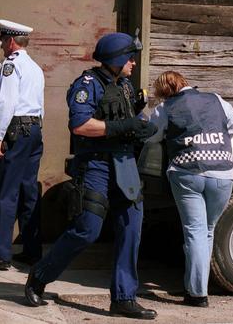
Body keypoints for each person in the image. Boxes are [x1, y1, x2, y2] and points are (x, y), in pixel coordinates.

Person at [24, 32, 158, 320]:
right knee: (88, 229)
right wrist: (123, 127)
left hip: (124, 164)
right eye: (129, 58)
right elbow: (80, 125)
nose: (133, 63)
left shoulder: (122, 85)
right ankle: (40, 275)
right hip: (96, 165)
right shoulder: (88, 85)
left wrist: (139, 126)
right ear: (117, 59)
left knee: (131, 229)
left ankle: (123, 298)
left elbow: (125, 118)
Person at [146, 71, 233, 307]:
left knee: (195, 231)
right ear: (184, 83)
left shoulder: (165, 108)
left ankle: (197, 293)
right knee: (207, 230)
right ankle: (198, 287)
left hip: (187, 173)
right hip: (222, 173)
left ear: (163, 91)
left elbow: (151, 136)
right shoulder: (216, 99)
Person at [0, 20, 45, 271]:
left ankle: (1, 253)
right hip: (34, 130)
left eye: (3, 41)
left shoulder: (10, 66)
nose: (2, 46)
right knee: (29, 192)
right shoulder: (35, 68)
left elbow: (6, 103)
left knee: (6, 191)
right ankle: (32, 249)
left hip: (15, 130)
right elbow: (39, 104)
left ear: (12, 41)